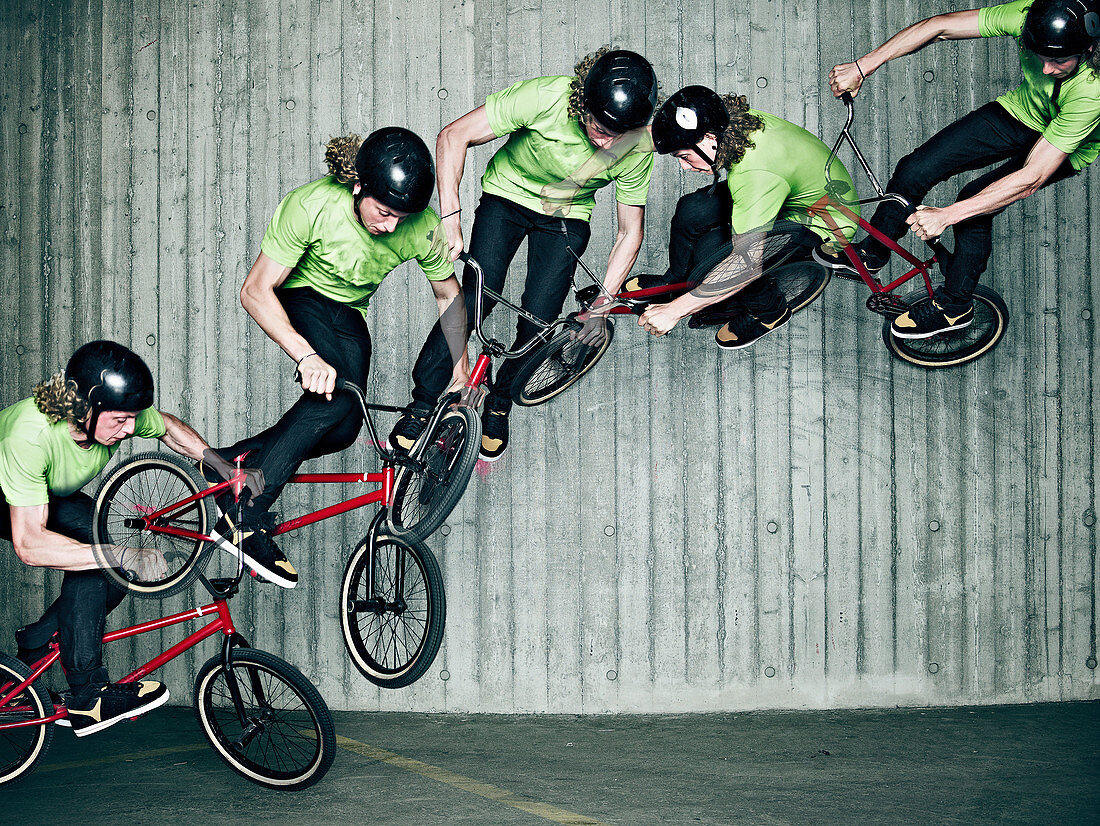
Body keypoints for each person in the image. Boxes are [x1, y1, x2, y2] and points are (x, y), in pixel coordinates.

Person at [205, 127, 467, 584]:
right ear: (359, 185)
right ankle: (244, 515)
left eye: (401, 218)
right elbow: (254, 290)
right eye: (384, 212)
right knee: (337, 400)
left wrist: (460, 374)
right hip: (301, 297)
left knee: (345, 427)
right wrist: (306, 356)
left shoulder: (418, 227)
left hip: (350, 314)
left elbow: (450, 298)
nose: (390, 227)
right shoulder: (312, 205)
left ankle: (230, 460)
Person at [390, 48, 658, 462]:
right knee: (477, 295)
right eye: (597, 127)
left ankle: (500, 400)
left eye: (615, 136)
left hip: (566, 214)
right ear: (581, 103)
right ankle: (424, 402)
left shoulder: (637, 145)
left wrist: (602, 305)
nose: (603, 142)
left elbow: (629, 232)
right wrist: (450, 217)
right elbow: (452, 136)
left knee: (540, 317)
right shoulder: (545, 97)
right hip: (507, 197)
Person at [817, 0, 1100, 339]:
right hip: (1021, 113)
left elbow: (1031, 177)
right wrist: (862, 67)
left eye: (1058, 60)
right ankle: (874, 252)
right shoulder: (1028, 15)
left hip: (1066, 146)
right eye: (1039, 56)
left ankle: (954, 306)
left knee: (973, 205)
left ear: (1090, 48)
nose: (1047, 69)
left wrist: (947, 214)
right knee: (915, 168)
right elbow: (940, 26)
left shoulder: (1092, 90)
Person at [1, 341, 235, 736]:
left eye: (132, 419)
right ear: (84, 408)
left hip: (48, 491)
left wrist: (220, 465)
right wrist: (121, 554)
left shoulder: (108, 414)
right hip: (6, 494)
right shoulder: (29, 436)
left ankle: (40, 639)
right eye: (121, 420)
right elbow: (29, 545)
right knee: (107, 557)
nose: (130, 429)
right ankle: (88, 697)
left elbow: (170, 429)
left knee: (103, 559)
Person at [632, 85, 859, 347]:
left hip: (826, 224)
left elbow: (746, 265)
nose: (683, 166)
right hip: (792, 193)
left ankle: (769, 312)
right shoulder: (727, 121)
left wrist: (675, 311)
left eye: (684, 156)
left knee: (713, 254)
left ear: (708, 138)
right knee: (692, 208)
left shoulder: (754, 175)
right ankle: (676, 282)